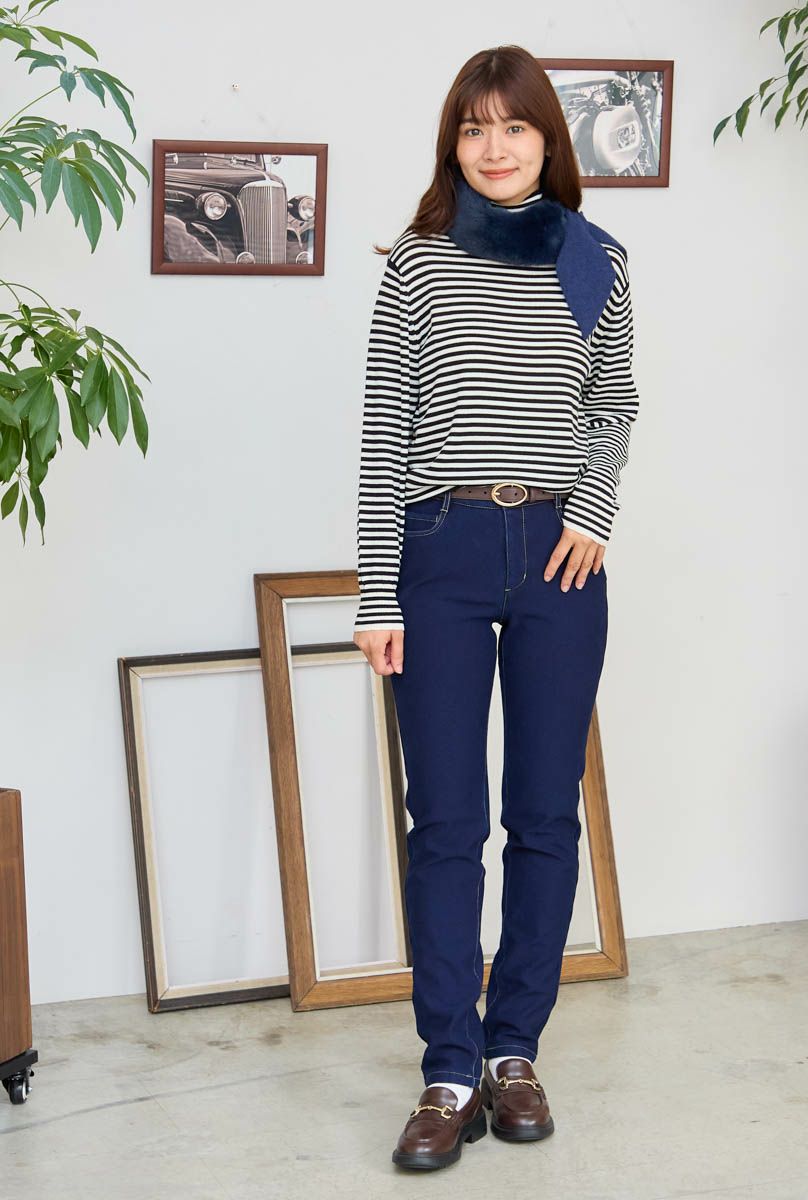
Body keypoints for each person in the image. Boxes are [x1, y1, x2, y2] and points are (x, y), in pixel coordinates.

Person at [353, 43, 640, 1171]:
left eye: (513, 125)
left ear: (546, 139)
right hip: (443, 551)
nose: (494, 146)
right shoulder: (418, 264)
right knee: (445, 822)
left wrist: (594, 513)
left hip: (562, 556)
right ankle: (448, 1068)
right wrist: (378, 590)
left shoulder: (597, 260)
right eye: (473, 128)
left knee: (543, 816)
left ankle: (515, 1050)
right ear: (453, 144)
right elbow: (384, 432)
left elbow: (614, 407)